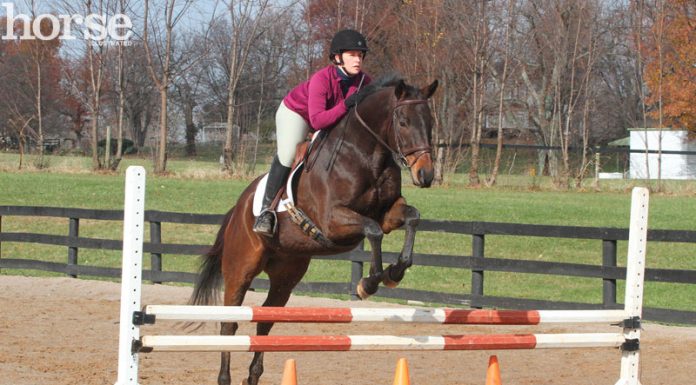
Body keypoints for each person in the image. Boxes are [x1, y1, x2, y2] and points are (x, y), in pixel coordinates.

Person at [253, 29, 372, 237]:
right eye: (352, 54)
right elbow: (317, 120)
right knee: (289, 154)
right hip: (298, 114)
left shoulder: (364, 82)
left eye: (360, 55)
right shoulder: (322, 79)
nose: (358, 60)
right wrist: (346, 105)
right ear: (337, 58)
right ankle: (267, 211)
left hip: (331, 119)